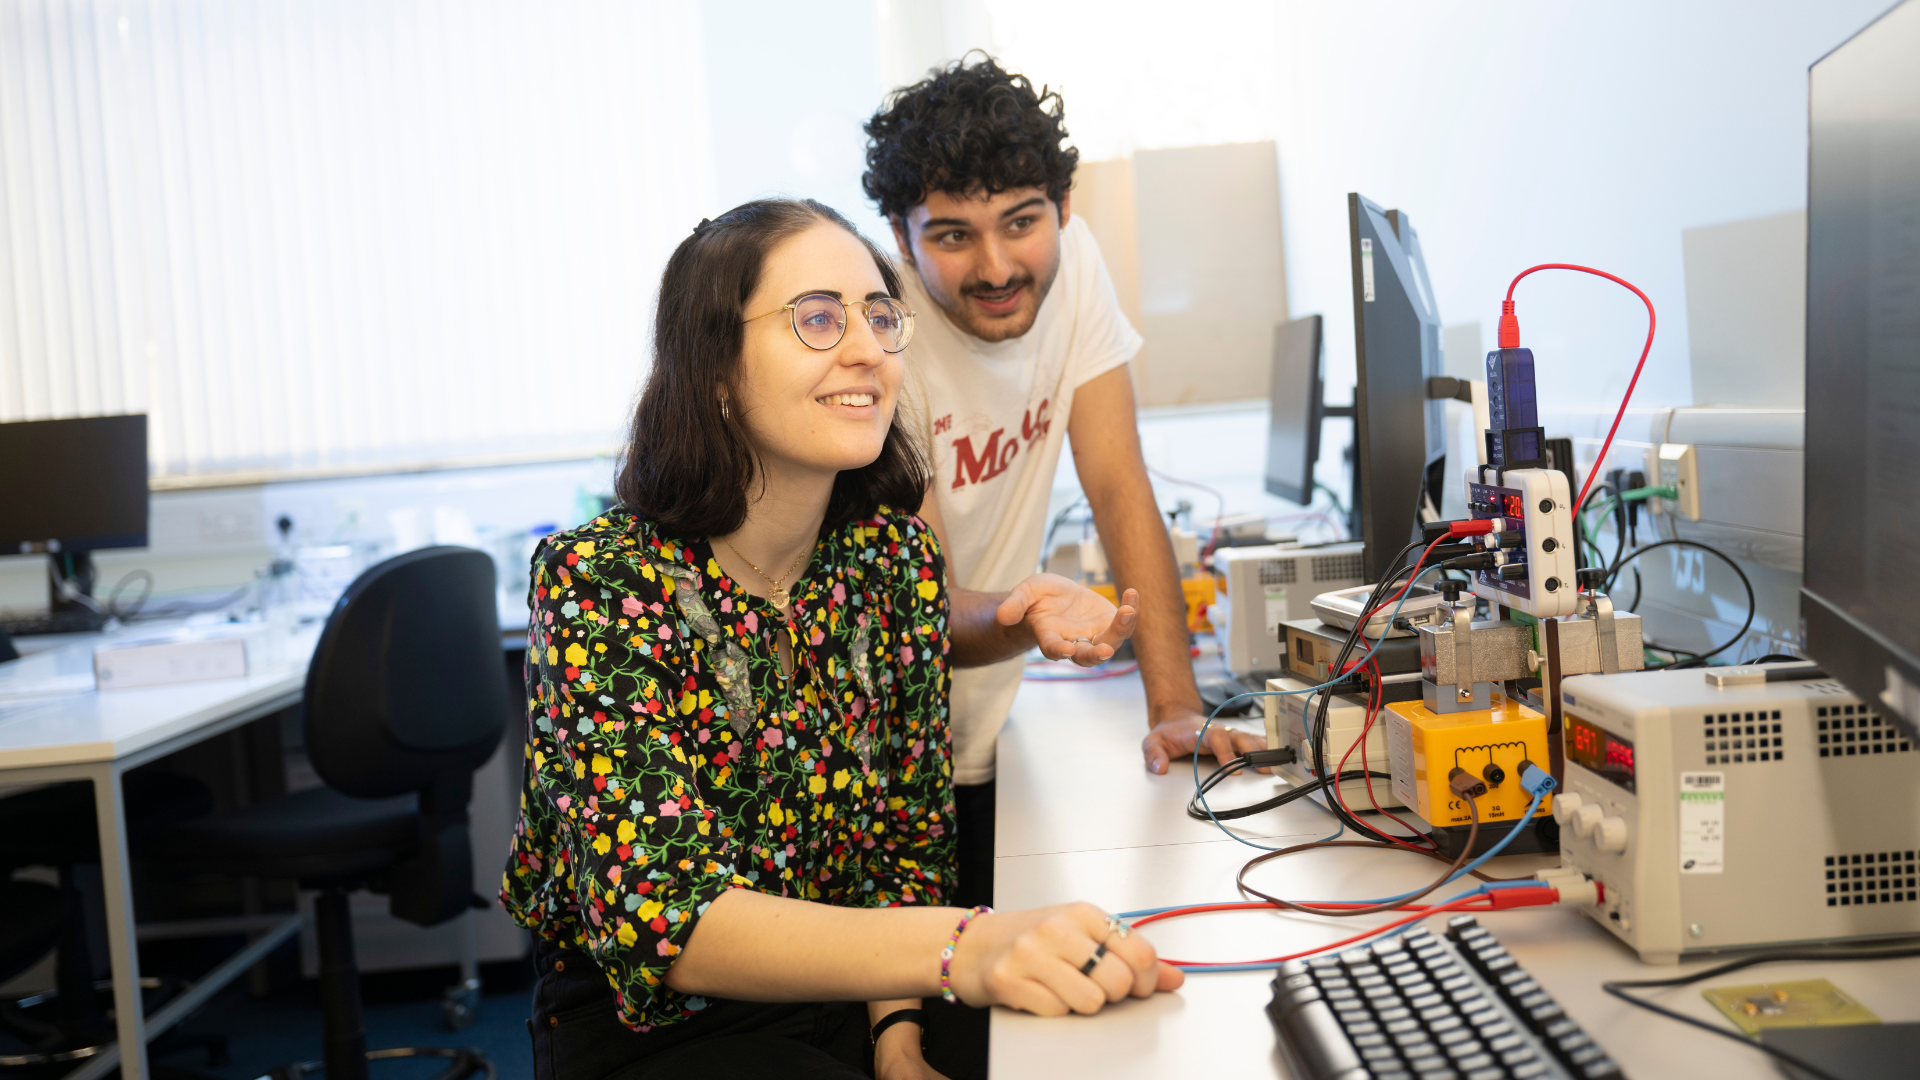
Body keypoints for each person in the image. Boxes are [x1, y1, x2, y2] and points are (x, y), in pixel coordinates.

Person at [504, 198, 1182, 1080]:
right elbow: (669, 919)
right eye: (818, 318)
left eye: (879, 316)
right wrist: (965, 947)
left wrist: (895, 1039)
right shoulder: (600, 582)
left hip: (855, 998)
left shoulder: (888, 559)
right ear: (714, 365)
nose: (867, 350)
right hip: (658, 1029)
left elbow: (903, 843)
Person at [862, 57, 1266, 910]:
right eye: (952, 235)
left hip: (987, 714)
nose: (998, 265)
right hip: (884, 764)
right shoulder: (879, 336)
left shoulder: (1073, 264)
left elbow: (1119, 482)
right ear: (901, 238)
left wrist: (1174, 705)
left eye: (1021, 222)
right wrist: (1029, 613)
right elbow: (918, 602)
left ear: (1064, 206)